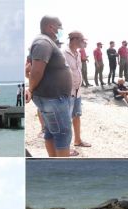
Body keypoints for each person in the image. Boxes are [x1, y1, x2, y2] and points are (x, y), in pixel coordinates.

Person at [26, 15, 73, 157]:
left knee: (52, 132)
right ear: (51, 26)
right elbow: (35, 70)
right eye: (60, 27)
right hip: (53, 99)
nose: (61, 30)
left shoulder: (47, 42)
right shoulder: (43, 43)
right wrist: (31, 89)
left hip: (52, 99)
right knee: (62, 134)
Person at [64, 31, 91, 149]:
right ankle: (66, 147)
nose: (84, 43)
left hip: (77, 91)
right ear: (74, 39)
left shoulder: (78, 54)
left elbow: (77, 71)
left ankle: (77, 140)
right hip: (68, 93)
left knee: (77, 116)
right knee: (66, 121)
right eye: (82, 40)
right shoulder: (63, 53)